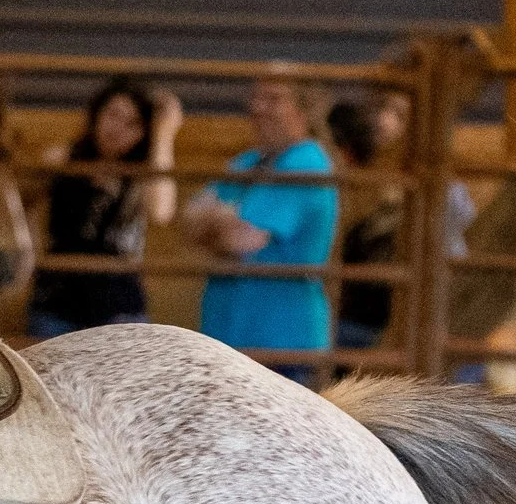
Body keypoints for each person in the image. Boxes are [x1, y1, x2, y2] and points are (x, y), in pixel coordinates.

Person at [175, 74, 338, 386]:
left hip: (282, 345)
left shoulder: (306, 162)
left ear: (302, 111)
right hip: (230, 342)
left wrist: (219, 220)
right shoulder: (248, 161)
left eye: (273, 99)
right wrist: (225, 222)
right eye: (255, 98)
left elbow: (241, 238)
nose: (258, 107)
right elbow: (188, 225)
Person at [26, 75, 180, 339]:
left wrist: (164, 135)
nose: (117, 128)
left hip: (118, 304)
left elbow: (161, 212)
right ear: (96, 114)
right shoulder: (61, 159)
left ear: (144, 132)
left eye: (133, 124)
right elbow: (23, 206)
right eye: (112, 114)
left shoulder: (142, 176)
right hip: (57, 299)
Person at [324, 98, 400, 364]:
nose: (385, 122)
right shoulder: (352, 189)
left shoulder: (384, 189)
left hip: (369, 324)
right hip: (354, 321)